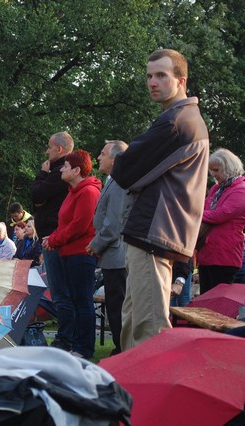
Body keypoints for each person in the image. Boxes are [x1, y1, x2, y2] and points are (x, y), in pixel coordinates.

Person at [111, 49, 210, 350]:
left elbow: (124, 170)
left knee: (148, 327)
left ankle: (146, 395)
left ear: (181, 80)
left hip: (155, 232)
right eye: (149, 76)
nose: (152, 82)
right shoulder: (181, 118)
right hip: (155, 232)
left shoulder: (176, 123)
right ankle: (129, 391)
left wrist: (122, 161)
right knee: (134, 319)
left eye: (161, 75)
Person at [43, 150, 101, 359]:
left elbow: (79, 225)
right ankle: (75, 344)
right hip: (69, 253)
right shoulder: (73, 191)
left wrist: (54, 240)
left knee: (82, 300)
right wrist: (52, 238)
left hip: (81, 253)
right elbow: (65, 223)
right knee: (75, 300)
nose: (61, 169)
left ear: (77, 170)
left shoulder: (88, 192)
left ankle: (84, 348)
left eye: (66, 166)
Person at [30, 131, 73, 351]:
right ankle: (66, 336)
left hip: (54, 237)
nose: (46, 151)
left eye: (49, 147)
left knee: (60, 292)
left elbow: (37, 195)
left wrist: (42, 175)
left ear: (59, 149)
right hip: (50, 236)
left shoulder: (59, 173)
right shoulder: (57, 173)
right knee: (59, 291)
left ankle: (66, 338)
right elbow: (36, 200)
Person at [85, 140, 129, 355]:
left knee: (118, 306)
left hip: (117, 255)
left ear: (115, 158)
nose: (98, 158)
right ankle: (120, 349)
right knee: (114, 305)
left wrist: (95, 244)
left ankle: (122, 351)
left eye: (102, 154)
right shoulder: (113, 181)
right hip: (112, 254)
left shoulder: (121, 183)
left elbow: (113, 224)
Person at [196, 148, 245, 293]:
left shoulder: (241, 190)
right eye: (212, 171)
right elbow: (205, 209)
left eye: (216, 170)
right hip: (207, 253)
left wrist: (194, 215)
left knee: (217, 304)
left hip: (224, 256)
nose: (214, 175)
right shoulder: (217, 189)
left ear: (228, 167)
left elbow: (219, 215)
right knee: (206, 302)